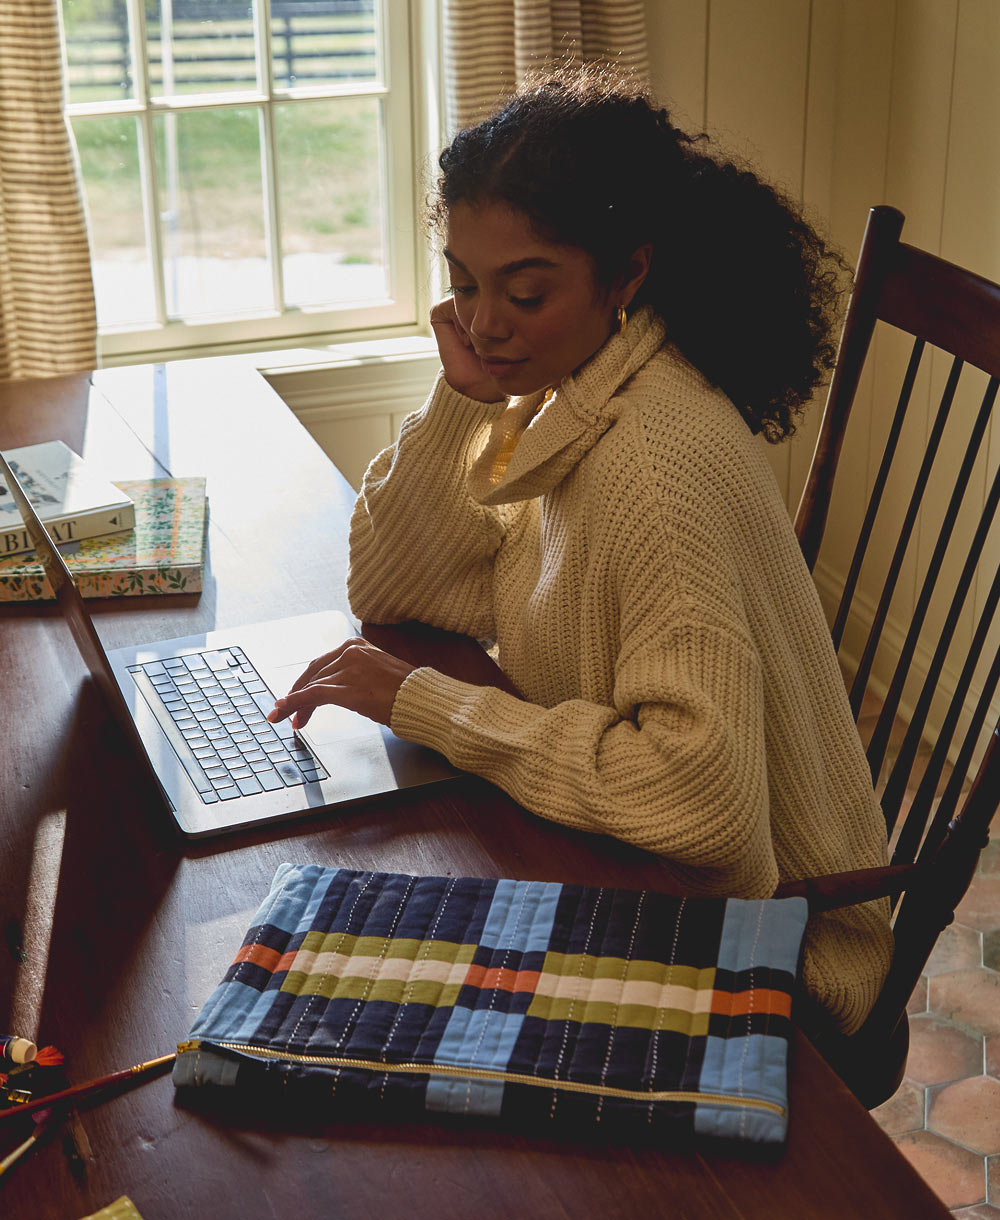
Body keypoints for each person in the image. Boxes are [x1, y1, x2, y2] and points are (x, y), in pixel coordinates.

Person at [268, 66, 892, 1039]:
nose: (481, 322)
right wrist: (459, 399)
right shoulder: (571, 391)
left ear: (627, 273)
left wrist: (424, 702)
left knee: (354, 1003)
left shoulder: (648, 462)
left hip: (776, 948)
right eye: (463, 283)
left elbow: (699, 800)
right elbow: (393, 590)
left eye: (522, 290)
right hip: (655, 877)